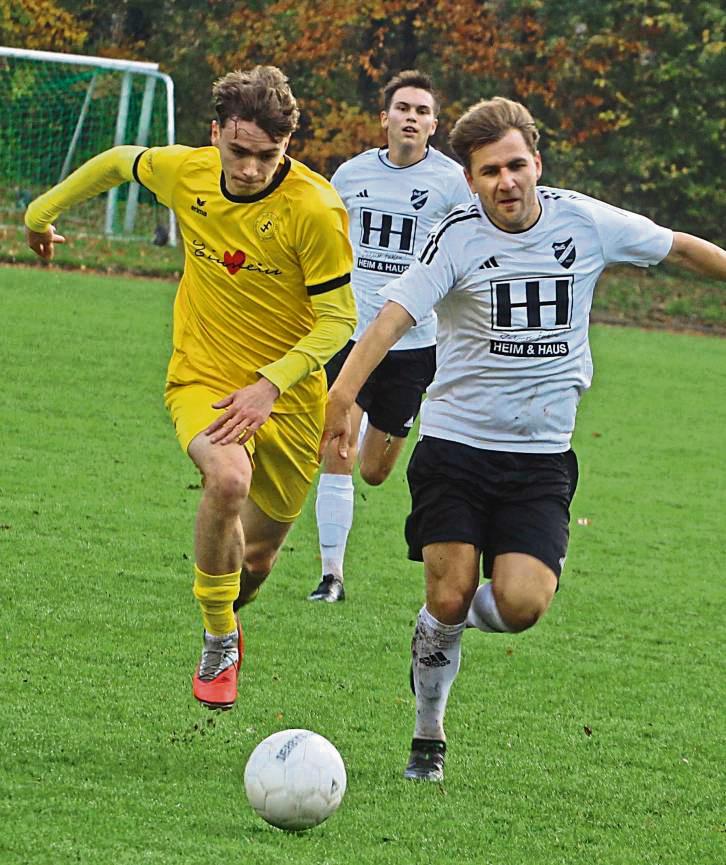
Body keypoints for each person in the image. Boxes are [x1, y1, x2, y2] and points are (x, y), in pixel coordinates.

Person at [320, 96, 726, 780]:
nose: (505, 182)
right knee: (447, 594)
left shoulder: (585, 221)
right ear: (471, 179)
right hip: (454, 447)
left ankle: (439, 633)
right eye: (488, 172)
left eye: (515, 165)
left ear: (536, 162)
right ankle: (428, 734)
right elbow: (393, 317)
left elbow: (679, 247)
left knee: (523, 603)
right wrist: (342, 392)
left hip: (540, 458)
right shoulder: (457, 235)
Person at [25, 65, 356, 711]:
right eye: (239, 151)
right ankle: (217, 636)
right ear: (215, 135)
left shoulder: (315, 210)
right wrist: (41, 213)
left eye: (269, 156)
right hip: (201, 374)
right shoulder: (188, 171)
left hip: (286, 399)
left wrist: (270, 385)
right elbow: (121, 160)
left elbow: (340, 320)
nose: (252, 168)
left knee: (254, 563)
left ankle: (230, 607)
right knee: (226, 479)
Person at [308, 70, 472, 603]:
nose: (411, 117)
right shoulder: (350, 175)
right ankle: (331, 576)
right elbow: (324, 243)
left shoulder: (452, 184)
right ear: (385, 118)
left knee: (376, 470)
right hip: (350, 335)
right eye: (403, 108)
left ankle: (387, 442)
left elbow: (468, 253)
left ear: (434, 124)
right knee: (338, 448)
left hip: (414, 344)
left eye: (422, 111)